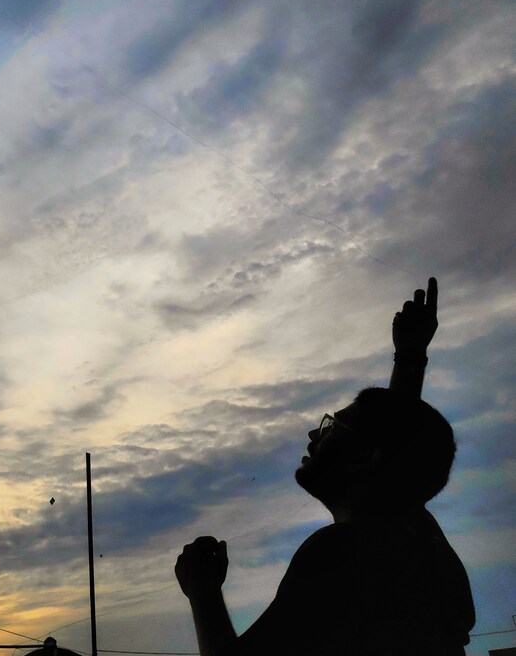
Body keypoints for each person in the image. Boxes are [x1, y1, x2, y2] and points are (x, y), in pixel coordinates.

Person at [174, 278, 475, 655]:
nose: (315, 435)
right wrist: (410, 358)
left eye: (333, 426)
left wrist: (202, 590)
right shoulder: (416, 541)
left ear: (365, 460)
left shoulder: (343, 554)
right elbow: (395, 440)